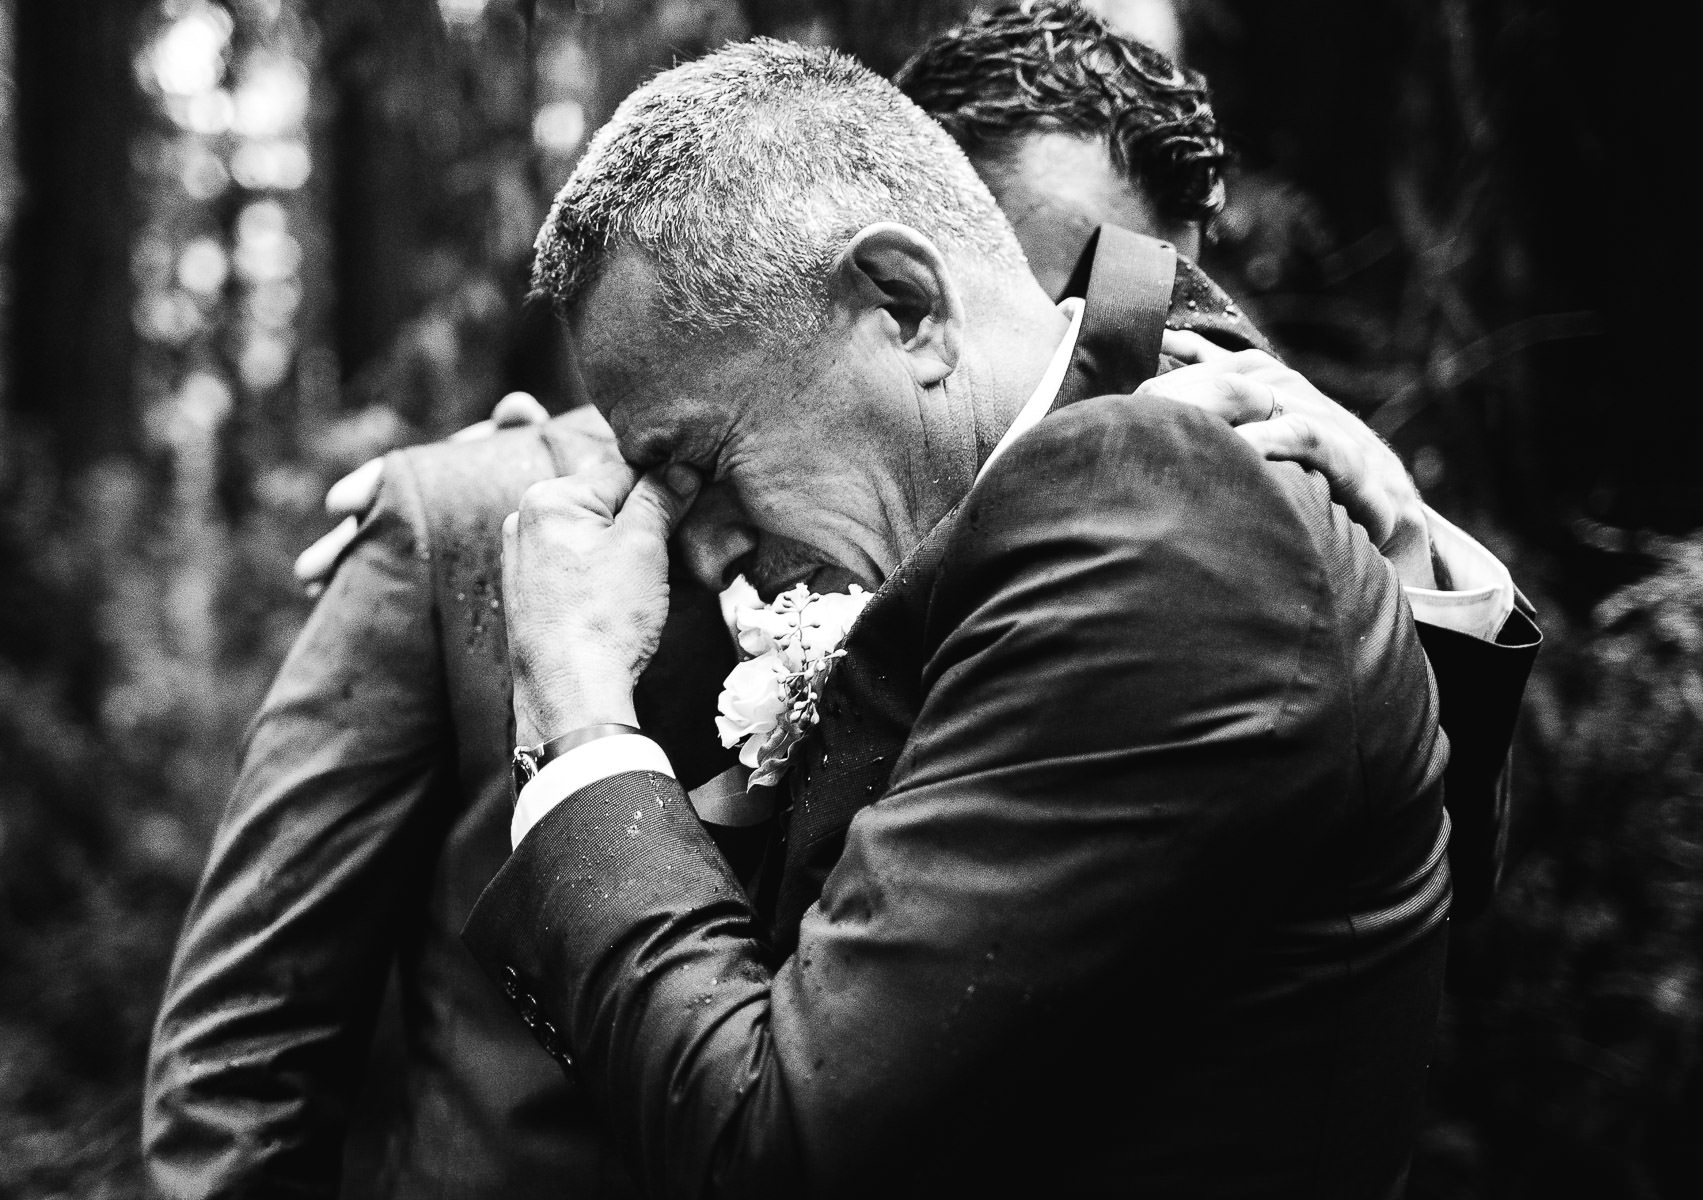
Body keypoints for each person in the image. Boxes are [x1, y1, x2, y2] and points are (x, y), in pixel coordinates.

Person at [143, 10, 1533, 1200]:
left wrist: (1407, 563)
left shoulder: (1151, 514)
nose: (1112, 360)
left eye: (1124, 311)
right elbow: (246, 1051)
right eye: (1092, 300)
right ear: (912, 283)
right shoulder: (515, 512)